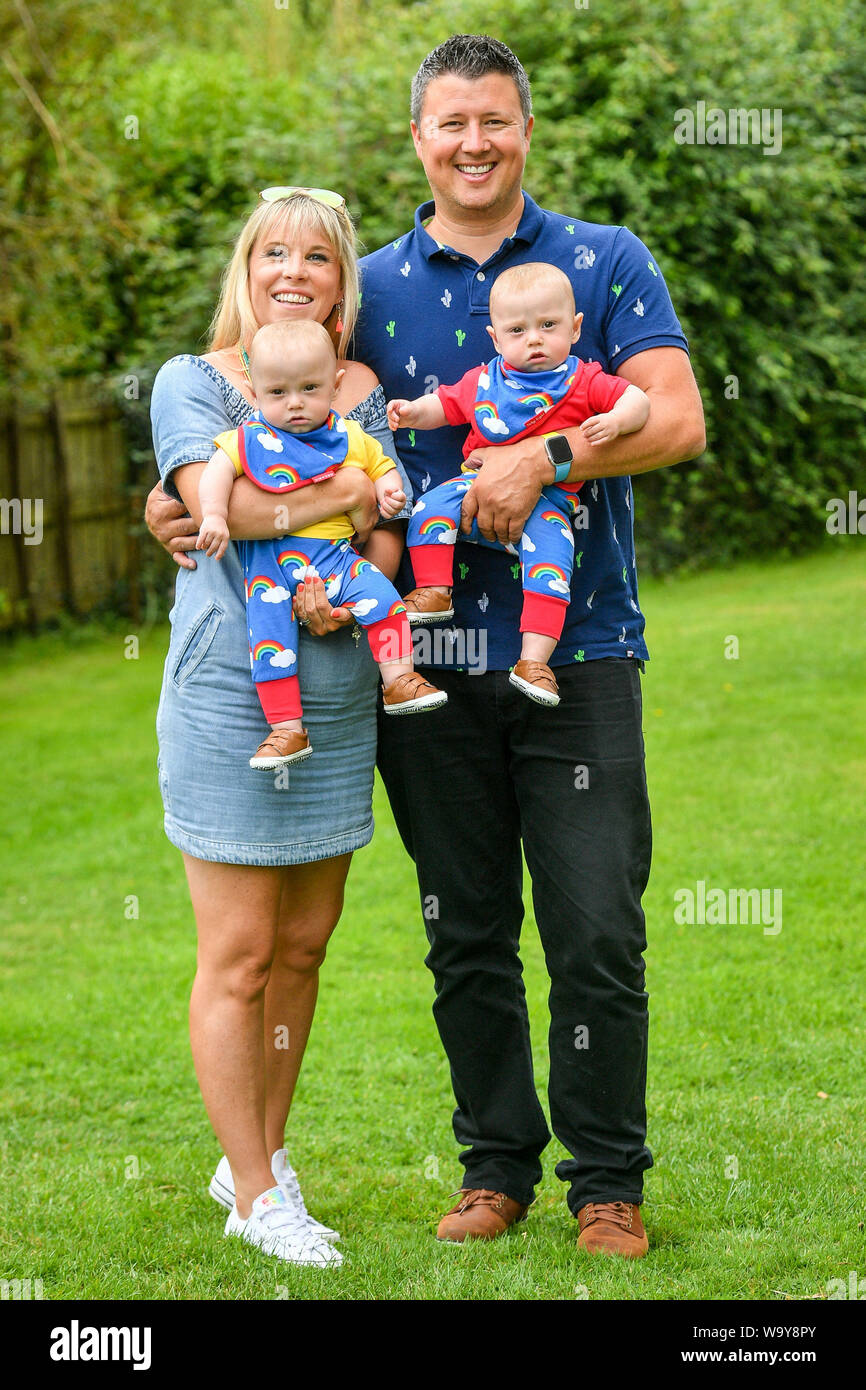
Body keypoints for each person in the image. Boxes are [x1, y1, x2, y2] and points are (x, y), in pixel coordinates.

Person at [353, 34, 705, 1257]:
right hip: (427, 666)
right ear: (417, 137)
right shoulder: (370, 282)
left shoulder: (601, 261)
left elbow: (672, 416)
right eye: (449, 123)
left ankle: (605, 1179)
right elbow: (271, 400)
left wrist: (546, 456)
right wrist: (181, 488)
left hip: (580, 652)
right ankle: (493, 1165)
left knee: (596, 925)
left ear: (524, 130)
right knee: (464, 930)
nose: (472, 143)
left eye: (493, 120)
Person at [147, 186, 412, 1266]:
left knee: (302, 946)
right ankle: (258, 1197)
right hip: (229, 698)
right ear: (244, 269)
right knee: (241, 952)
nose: (293, 268)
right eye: (273, 252)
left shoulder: (369, 395)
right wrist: (341, 499)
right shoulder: (194, 383)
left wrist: (352, 584)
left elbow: (387, 546)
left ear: (341, 283)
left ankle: (256, 1153)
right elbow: (228, 515)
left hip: (340, 696)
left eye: (317, 255)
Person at [387, 261, 650, 705]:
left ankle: (534, 661)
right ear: (495, 337)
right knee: (429, 509)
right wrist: (413, 413)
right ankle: (435, 590)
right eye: (517, 330)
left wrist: (617, 420)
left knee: (552, 567)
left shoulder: (583, 381)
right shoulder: (485, 379)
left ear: (575, 327)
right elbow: (445, 404)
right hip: (471, 488)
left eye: (548, 325)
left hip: (547, 505)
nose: (534, 339)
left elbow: (637, 398)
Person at [197, 318, 446, 768]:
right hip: (270, 572)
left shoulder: (350, 436)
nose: (295, 404)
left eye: (309, 389)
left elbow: (382, 469)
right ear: (255, 392)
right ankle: (286, 729)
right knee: (270, 645)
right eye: (278, 393)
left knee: (385, 601)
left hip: (338, 560)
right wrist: (213, 515)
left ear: (334, 386)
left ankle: (399, 678)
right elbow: (216, 472)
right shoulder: (249, 439)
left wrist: (389, 490)